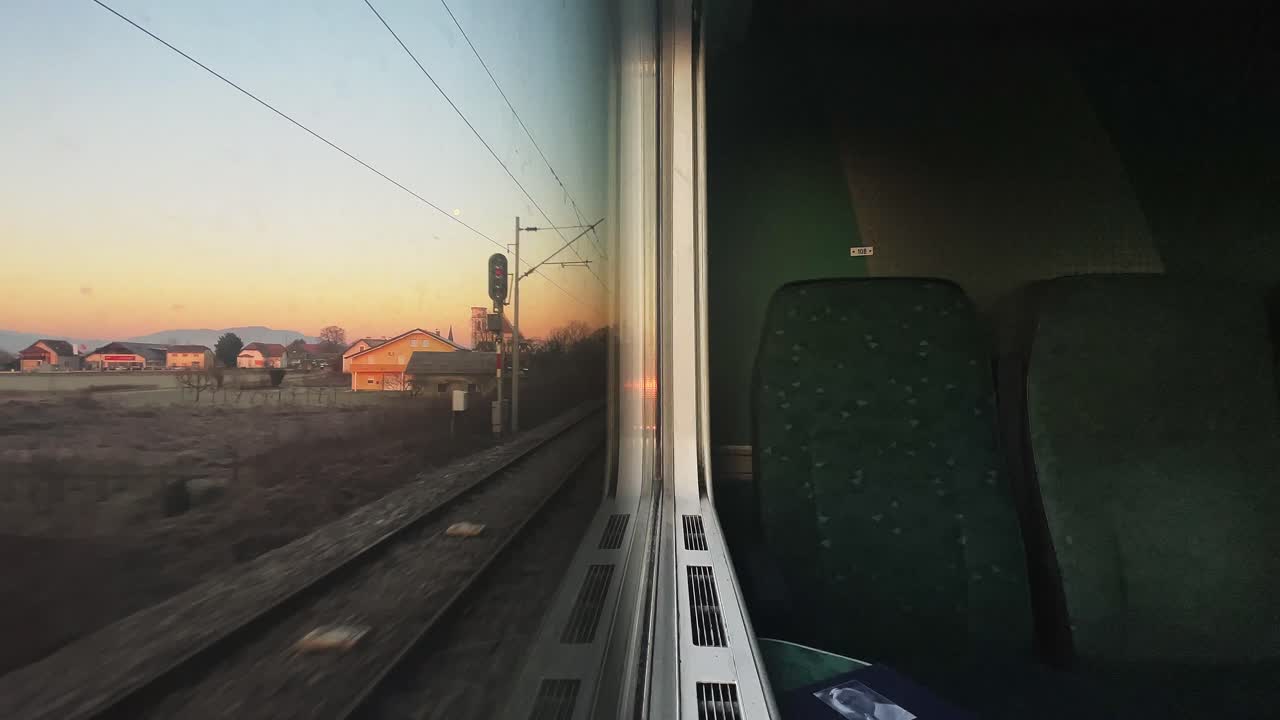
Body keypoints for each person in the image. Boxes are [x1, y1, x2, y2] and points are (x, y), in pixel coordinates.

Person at [820, 682, 915, 720]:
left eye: (853, 697)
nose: (853, 704)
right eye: (845, 703)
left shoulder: (902, 713)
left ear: (864, 693)